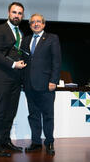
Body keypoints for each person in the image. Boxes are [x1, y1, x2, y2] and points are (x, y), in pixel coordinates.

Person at [0, 2, 27, 157]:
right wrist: (13, 64)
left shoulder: (21, 33)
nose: (16, 15)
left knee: (11, 112)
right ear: (8, 13)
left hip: (16, 80)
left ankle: (5, 141)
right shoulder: (0, 29)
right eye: (14, 12)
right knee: (0, 111)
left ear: (22, 16)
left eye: (19, 13)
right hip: (2, 78)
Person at [21, 13, 62, 155]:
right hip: (29, 85)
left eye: (39, 22)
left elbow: (56, 62)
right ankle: (36, 142)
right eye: (33, 22)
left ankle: (49, 142)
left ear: (44, 24)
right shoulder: (25, 40)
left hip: (46, 85)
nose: (36, 24)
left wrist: (53, 81)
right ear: (30, 25)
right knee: (33, 115)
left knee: (48, 115)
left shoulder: (52, 38)